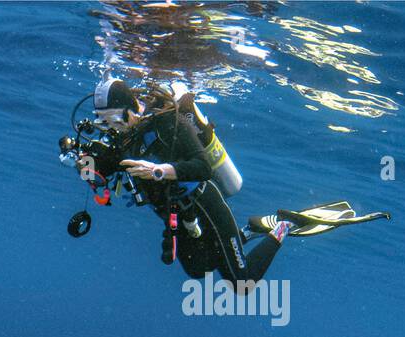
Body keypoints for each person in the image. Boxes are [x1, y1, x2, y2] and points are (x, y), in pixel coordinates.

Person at [84, 78, 387, 288]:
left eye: (114, 119)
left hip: (203, 203)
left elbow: (201, 166)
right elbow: (105, 172)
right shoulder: (125, 139)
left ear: (129, 108)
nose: (111, 127)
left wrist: (161, 171)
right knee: (198, 270)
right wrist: (85, 164)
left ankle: (283, 226)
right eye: (104, 122)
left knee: (242, 282)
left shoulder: (166, 122)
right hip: (180, 216)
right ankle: (253, 228)